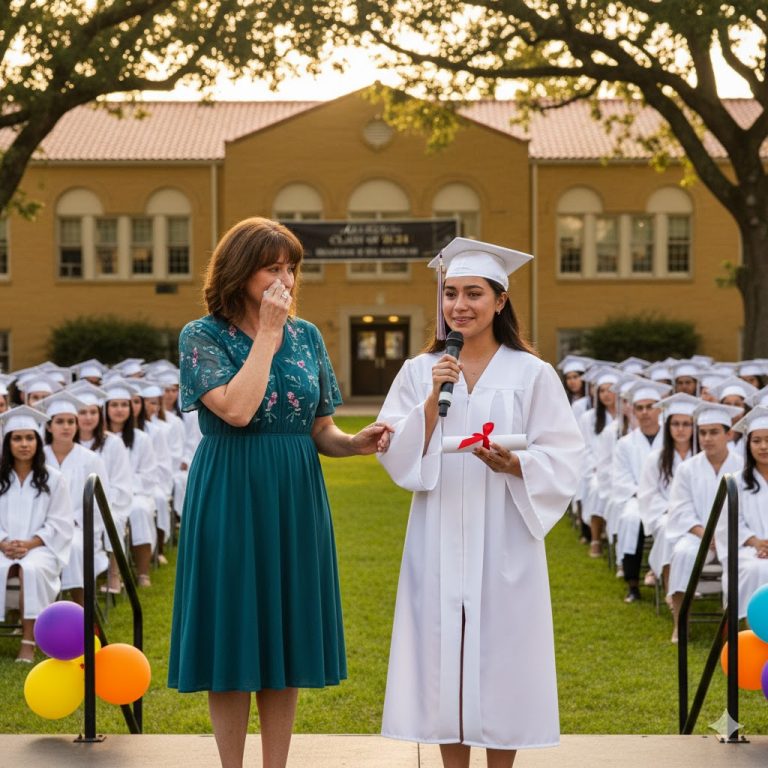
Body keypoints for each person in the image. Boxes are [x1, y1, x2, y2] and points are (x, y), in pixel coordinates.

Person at [167, 217, 391, 768]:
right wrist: (267, 333)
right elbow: (238, 410)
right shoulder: (202, 336)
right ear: (241, 270)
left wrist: (353, 443)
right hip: (232, 491)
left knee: (284, 632)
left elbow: (319, 429)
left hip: (295, 494)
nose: (285, 278)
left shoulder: (308, 336)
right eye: (273, 267)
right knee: (234, 630)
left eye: (291, 267)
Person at [377, 237, 584, 767]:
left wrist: (518, 465)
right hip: (438, 528)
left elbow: (564, 453)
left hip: (504, 533)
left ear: (500, 301)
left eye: (473, 293)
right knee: (445, 655)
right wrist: (431, 400)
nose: (459, 306)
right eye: (450, 294)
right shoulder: (419, 371)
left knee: (502, 655)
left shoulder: (531, 373)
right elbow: (395, 450)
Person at [666, 401, 744, 642]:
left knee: (745, 564)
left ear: (728, 434)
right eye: (702, 432)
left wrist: (723, 535)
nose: (707, 438)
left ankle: (736, 627)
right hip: (698, 534)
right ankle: (681, 623)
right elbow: (680, 509)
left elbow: (748, 510)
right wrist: (705, 533)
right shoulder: (687, 468)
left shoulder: (743, 466)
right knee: (681, 554)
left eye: (714, 432)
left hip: (737, 535)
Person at [0, 406, 73, 662]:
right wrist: (3, 543)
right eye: (17, 438)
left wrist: (30, 543)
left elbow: (61, 522)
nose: (23, 444)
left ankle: (28, 642)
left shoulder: (53, 479)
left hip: (41, 548)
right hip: (2, 547)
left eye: (29, 438)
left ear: (38, 441)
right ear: (7, 442)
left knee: (29, 569)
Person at [39, 390, 111, 605]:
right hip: (41, 529)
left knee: (76, 547)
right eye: (60, 421)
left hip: (80, 528)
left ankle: (82, 610)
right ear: (49, 426)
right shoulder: (38, 458)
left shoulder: (91, 459)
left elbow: (101, 502)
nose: (66, 426)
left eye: (71, 421)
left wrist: (72, 521)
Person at [611, 379, 669, 603]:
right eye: (640, 408)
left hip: (666, 499)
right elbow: (621, 479)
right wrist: (644, 495)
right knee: (630, 518)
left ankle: (666, 577)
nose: (645, 412)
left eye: (650, 406)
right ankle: (633, 583)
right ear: (633, 411)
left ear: (659, 409)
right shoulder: (625, 444)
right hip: (637, 498)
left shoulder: (670, 440)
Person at [637, 393, 696, 599]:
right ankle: (672, 590)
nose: (680, 429)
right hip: (665, 513)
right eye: (676, 424)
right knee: (667, 530)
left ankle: (685, 584)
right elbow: (648, 494)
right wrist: (673, 510)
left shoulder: (700, 458)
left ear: (694, 427)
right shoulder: (656, 458)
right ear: (668, 427)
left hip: (697, 518)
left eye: (686, 424)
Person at [715, 406, 768, 618]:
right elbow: (728, 524)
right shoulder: (735, 481)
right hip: (747, 549)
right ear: (748, 445)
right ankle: (752, 631)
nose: (763, 446)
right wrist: (757, 543)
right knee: (756, 569)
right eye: (756, 441)